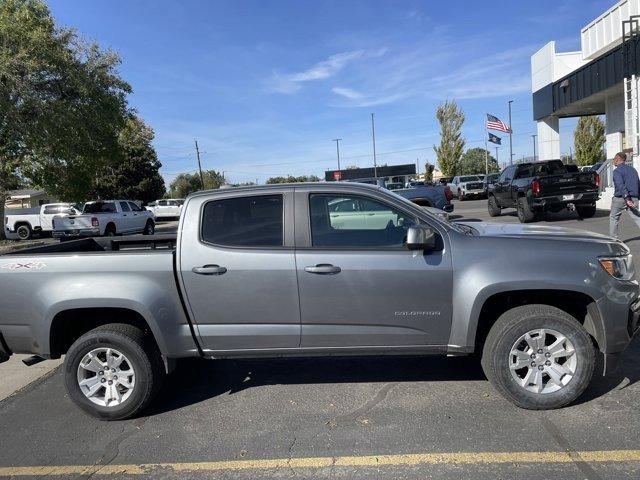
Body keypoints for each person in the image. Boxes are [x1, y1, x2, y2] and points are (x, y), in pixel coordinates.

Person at [609, 151, 640, 240]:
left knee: (614, 218)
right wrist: (637, 197)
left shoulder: (617, 171)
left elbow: (620, 185)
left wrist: (627, 198)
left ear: (618, 159)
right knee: (637, 217)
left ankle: (613, 240)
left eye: (614, 159)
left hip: (621, 198)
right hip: (634, 197)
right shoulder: (633, 170)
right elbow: (638, 183)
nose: (613, 161)